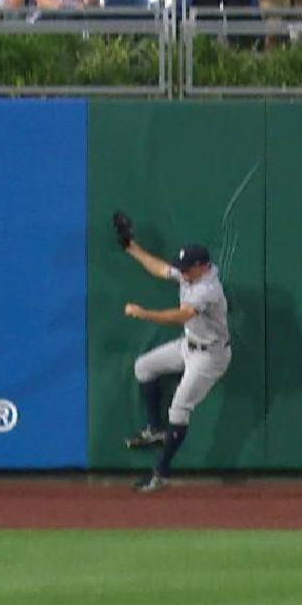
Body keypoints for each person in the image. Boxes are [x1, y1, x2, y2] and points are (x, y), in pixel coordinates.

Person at [113, 211, 232, 494]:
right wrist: (132, 248)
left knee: (179, 410)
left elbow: (182, 316)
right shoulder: (191, 273)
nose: (182, 271)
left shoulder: (208, 289)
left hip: (209, 357)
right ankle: (155, 430)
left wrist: (144, 313)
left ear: (203, 266)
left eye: (187, 268)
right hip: (189, 345)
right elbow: (160, 268)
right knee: (144, 367)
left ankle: (161, 474)